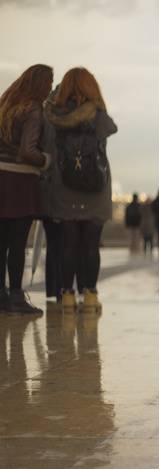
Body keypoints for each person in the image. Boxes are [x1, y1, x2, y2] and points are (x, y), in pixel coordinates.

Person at [44, 67, 117, 313]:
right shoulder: (97, 114)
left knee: (69, 245)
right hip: (95, 187)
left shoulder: (54, 114)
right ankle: (90, 296)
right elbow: (111, 129)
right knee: (90, 245)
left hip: (65, 186)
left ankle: (67, 295)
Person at [0, 64, 53, 315]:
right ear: (38, 84)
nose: (50, 88)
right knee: (18, 243)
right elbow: (27, 152)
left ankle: (1, 295)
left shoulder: (6, 105)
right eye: (48, 82)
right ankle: (17, 297)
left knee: (1, 243)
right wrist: (47, 160)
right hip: (20, 182)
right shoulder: (33, 110)